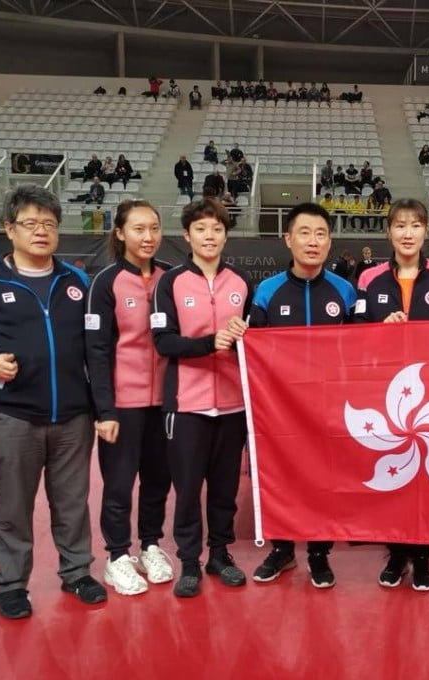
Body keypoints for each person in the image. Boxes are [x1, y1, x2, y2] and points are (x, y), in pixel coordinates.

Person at [0, 184, 107, 619]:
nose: (41, 232)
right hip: (14, 415)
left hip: (74, 416)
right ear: (9, 229)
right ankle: (12, 583)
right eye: (31, 223)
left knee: (72, 503)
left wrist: (100, 407)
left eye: (49, 224)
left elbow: (96, 346)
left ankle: (76, 573)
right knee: (14, 505)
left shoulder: (76, 281)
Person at [248, 203, 357, 589]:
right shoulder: (266, 291)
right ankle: (282, 550)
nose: (313, 241)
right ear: (288, 239)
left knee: (324, 481)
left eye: (321, 234)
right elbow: (251, 347)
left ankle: (318, 553)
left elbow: (361, 347)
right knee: (281, 479)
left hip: (329, 406)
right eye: (305, 233)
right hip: (280, 407)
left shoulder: (345, 291)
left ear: (330, 242)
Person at [353, 198, 429, 592]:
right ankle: (397, 554)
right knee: (395, 472)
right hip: (387, 391)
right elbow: (357, 329)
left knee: (426, 474)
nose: (407, 233)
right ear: (389, 232)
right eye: (400, 225)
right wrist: (383, 327)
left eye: (415, 225)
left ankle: (423, 555)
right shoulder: (369, 278)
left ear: (426, 230)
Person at [151, 199, 254, 598]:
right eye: (201, 229)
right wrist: (211, 343)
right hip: (187, 405)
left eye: (216, 229)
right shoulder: (171, 282)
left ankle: (220, 554)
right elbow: (164, 342)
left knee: (226, 488)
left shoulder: (242, 281)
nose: (209, 236)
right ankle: (190, 561)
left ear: (226, 234)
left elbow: (258, 340)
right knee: (189, 487)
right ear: (187, 235)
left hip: (233, 403)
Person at [86, 199, 174, 597]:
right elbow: (97, 351)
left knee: (158, 481)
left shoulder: (171, 278)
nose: (148, 236)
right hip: (122, 403)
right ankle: (117, 555)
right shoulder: (105, 283)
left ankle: (151, 545)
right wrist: (104, 410)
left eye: (154, 228)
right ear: (120, 233)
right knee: (119, 484)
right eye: (138, 229)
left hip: (167, 403)